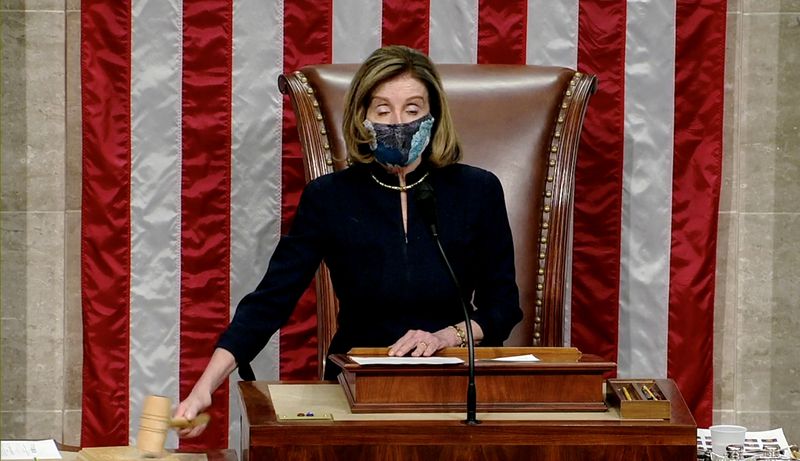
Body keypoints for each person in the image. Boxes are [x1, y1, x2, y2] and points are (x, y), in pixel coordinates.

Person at [174, 45, 522, 437]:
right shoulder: (330, 197)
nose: (398, 122)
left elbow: (502, 307)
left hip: (452, 389)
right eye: (383, 109)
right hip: (354, 388)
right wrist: (205, 387)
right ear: (362, 117)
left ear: (434, 116)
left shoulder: (478, 190)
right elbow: (270, 301)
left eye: (412, 110)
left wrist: (445, 336)